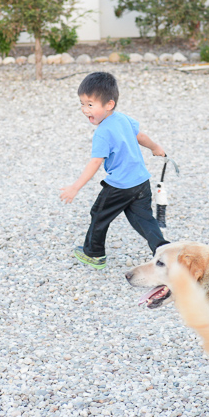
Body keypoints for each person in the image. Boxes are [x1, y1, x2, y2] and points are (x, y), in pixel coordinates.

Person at [59, 71, 169, 270]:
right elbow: (140, 136)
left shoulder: (102, 133)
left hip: (120, 186)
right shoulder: (123, 119)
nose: (85, 110)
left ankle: (94, 254)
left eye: (90, 104)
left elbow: (95, 163)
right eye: (82, 104)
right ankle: (164, 250)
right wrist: (155, 148)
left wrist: (75, 187)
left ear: (109, 104)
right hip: (141, 182)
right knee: (144, 219)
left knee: (99, 214)